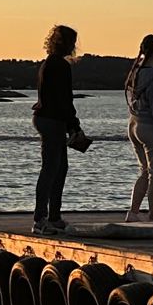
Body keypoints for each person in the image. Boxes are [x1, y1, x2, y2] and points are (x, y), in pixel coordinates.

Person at [32, 24, 91, 227]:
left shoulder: (48, 63)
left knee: (58, 167)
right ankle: (42, 218)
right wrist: (74, 125)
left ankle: (52, 216)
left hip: (47, 118)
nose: (74, 46)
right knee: (51, 169)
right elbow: (64, 99)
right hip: (52, 120)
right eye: (72, 42)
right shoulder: (61, 66)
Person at [123, 34, 153, 222]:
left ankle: (133, 212)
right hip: (149, 127)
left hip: (133, 124)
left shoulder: (135, 73)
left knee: (144, 170)